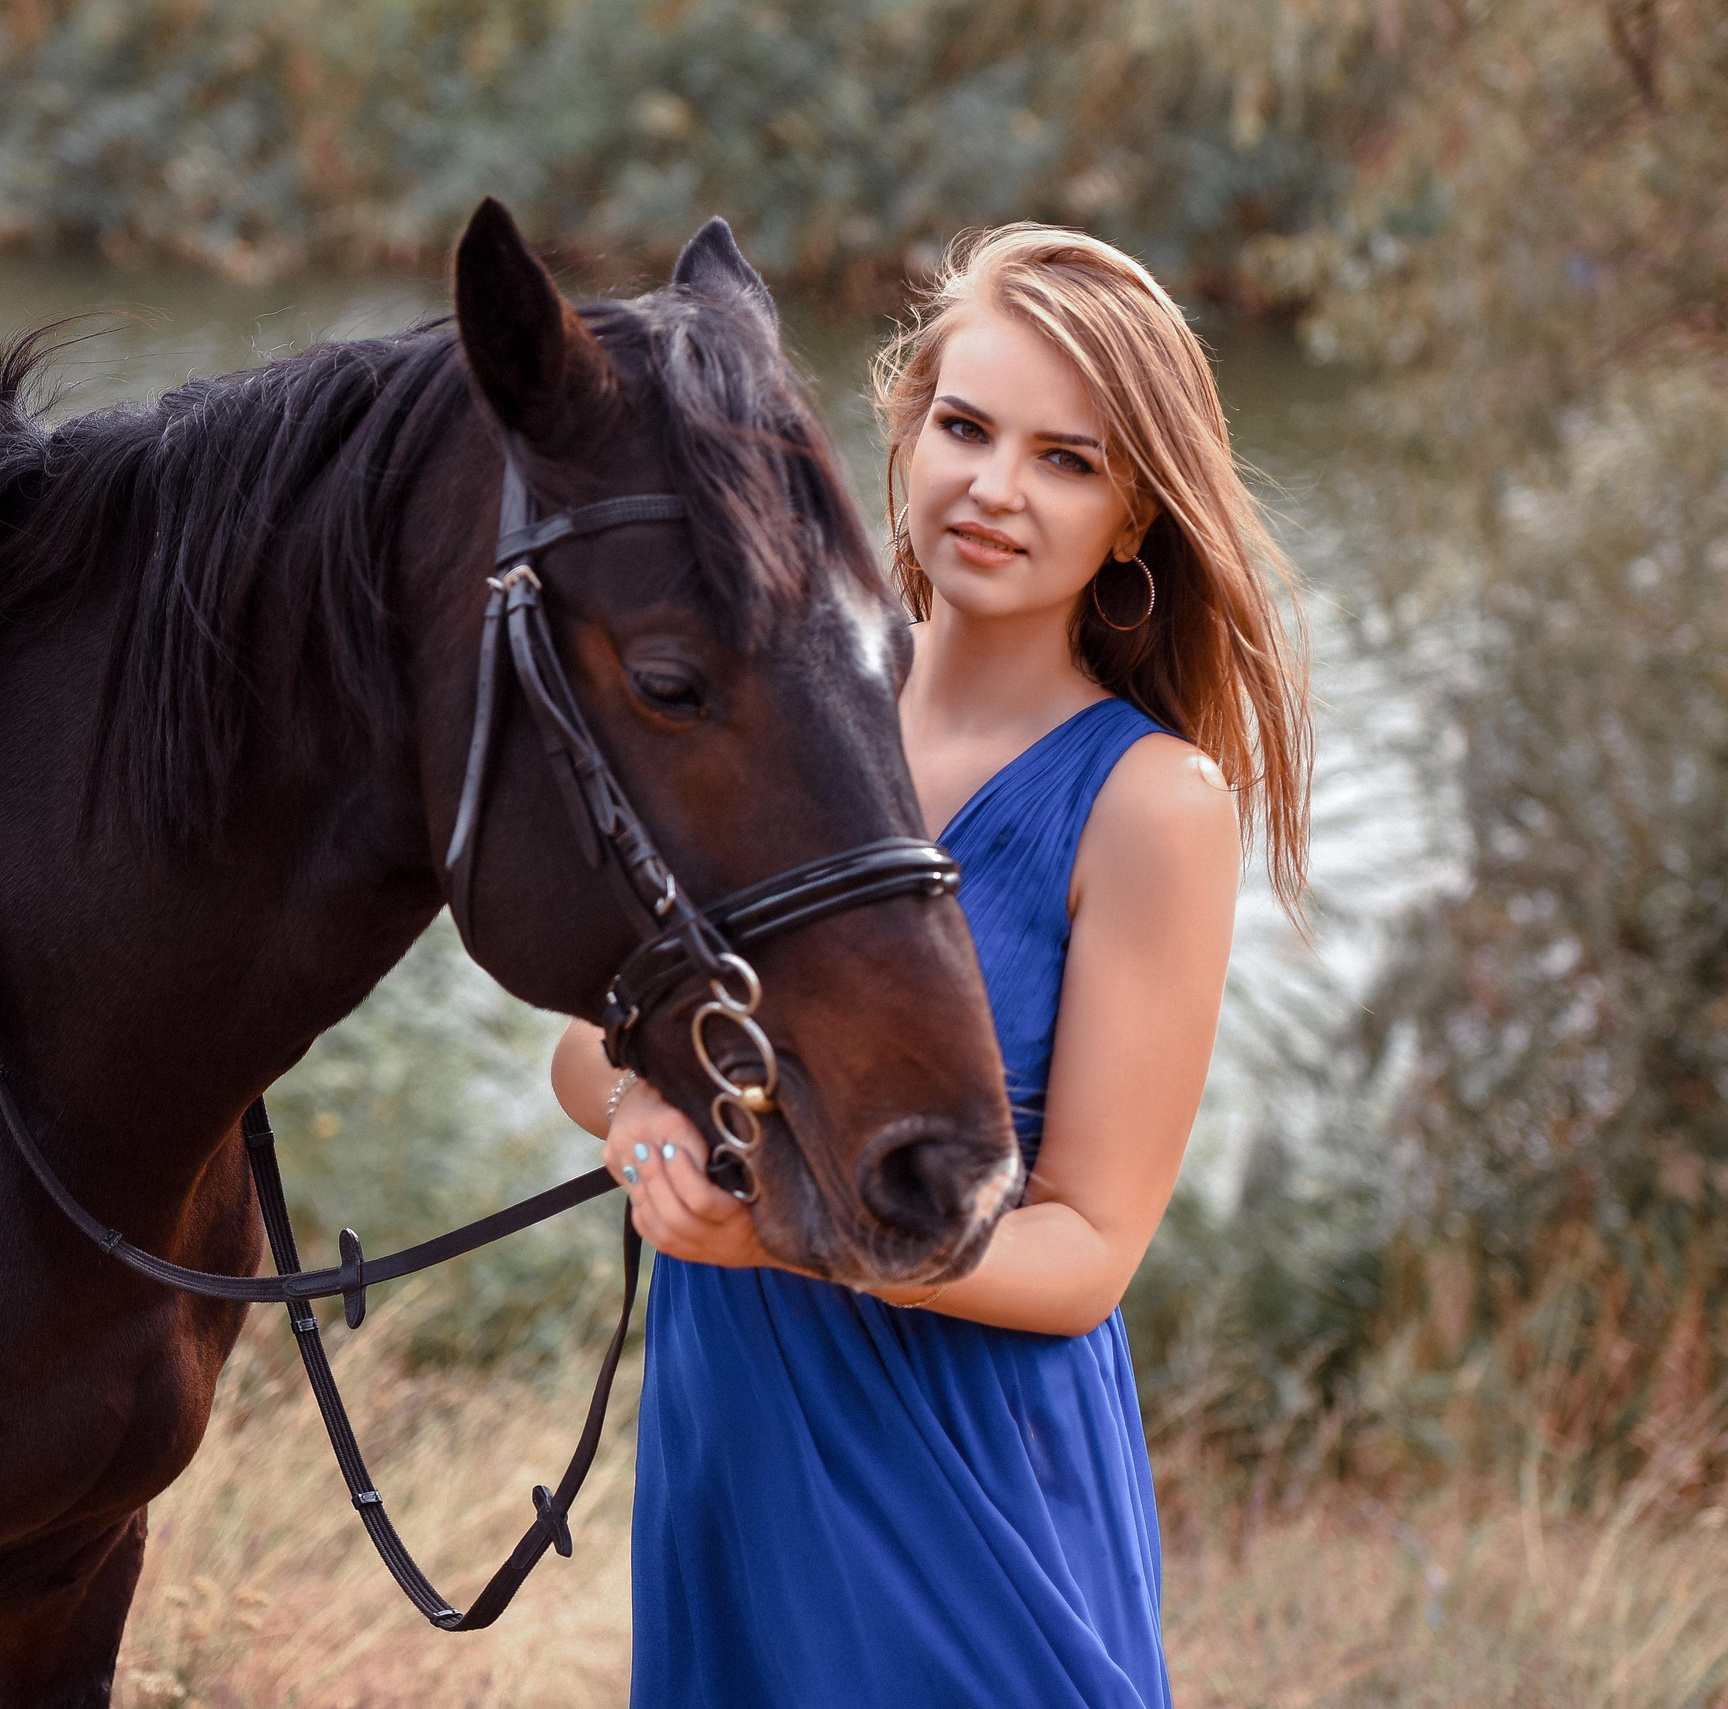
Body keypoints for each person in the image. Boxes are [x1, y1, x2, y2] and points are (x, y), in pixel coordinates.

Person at [550, 224, 1312, 1708]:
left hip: (964, 1472)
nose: (996, 488)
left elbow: (1085, 1253)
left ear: (1135, 518)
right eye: (966, 428)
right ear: (906, 435)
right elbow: (597, 1041)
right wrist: (647, 1121)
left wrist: (781, 1232)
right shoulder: (777, 706)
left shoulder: (1152, 806)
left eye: (1067, 460)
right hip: (735, 1435)